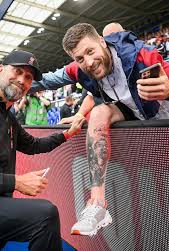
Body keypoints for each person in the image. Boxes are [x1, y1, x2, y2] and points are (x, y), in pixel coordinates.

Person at [31, 22, 169, 236]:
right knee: (98, 112)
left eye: (90, 51)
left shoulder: (141, 54)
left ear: (103, 42)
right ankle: (97, 204)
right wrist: (7, 83)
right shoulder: (81, 69)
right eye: (79, 58)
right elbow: (47, 80)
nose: (88, 62)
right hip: (136, 115)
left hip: (163, 114)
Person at [0, 49, 85, 250]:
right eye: (18, 71)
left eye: (29, 77)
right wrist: (17, 182)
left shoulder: (7, 114)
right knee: (45, 215)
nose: (22, 80)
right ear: (0, 70)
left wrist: (67, 134)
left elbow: (32, 145)